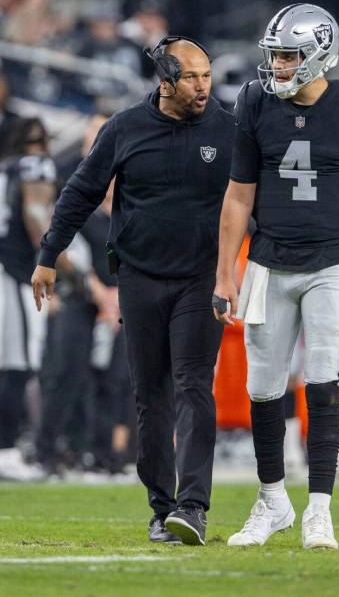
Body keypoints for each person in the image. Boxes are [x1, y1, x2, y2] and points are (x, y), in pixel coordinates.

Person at [31, 36, 234, 545]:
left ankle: (193, 505)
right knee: (150, 396)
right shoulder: (124, 128)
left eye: (207, 75)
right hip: (138, 278)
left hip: (201, 278)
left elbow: (257, 198)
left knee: (192, 385)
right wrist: (48, 254)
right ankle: (161, 506)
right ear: (165, 79)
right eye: (191, 77)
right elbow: (79, 193)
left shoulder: (229, 128)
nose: (203, 86)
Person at [213, 3, 339, 550]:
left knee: (322, 384)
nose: (279, 67)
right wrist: (226, 272)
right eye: (274, 56)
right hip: (268, 260)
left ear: (319, 53)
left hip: (335, 263)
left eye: (289, 56)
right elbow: (237, 197)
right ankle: (272, 502)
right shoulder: (255, 102)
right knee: (262, 389)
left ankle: (320, 508)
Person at [0, 117, 57, 467]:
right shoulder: (34, 166)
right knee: (18, 365)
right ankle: (6, 449)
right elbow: (36, 215)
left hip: (7, 270)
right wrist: (57, 264)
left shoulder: (6, 168)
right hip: (15, 273)